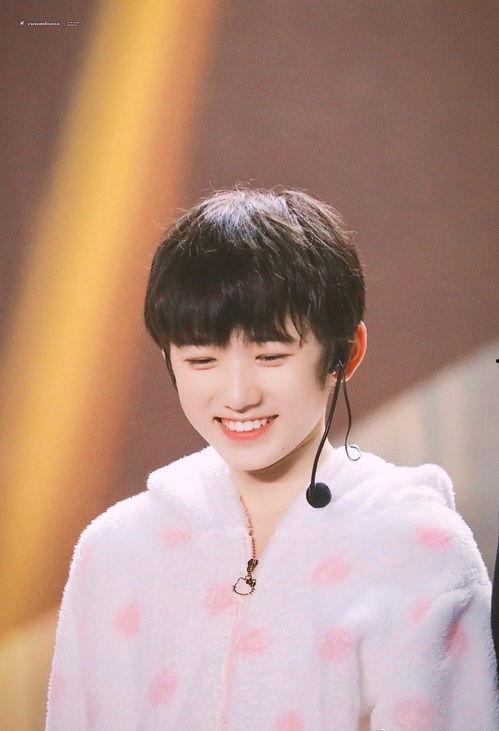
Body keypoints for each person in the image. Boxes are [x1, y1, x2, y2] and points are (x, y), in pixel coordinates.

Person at [45, 186, 499, 730]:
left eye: (271, 355)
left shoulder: (418, 549)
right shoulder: (116, 550)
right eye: (202, 359)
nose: (238, 394)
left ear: (345, 353)